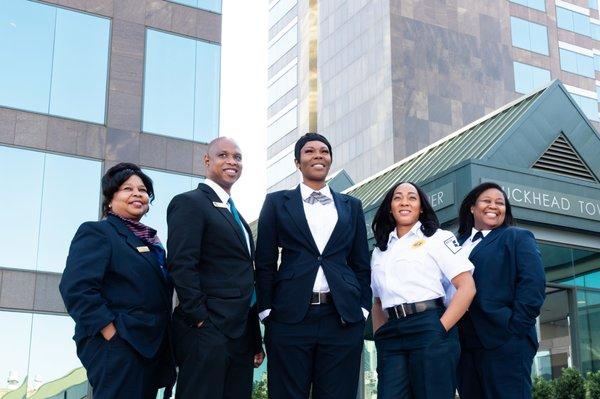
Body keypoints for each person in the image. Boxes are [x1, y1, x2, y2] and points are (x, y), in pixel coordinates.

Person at [255, 132, 371, 399]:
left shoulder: (352, 206)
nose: (318, 155)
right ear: (297, 162)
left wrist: (362, 309)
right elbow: (265, 262)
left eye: (324, 151)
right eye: (309, 151)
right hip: (289, 316)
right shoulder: (276, 203)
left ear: (330, 160)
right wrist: (266, 311)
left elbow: (361, 264)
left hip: (341, 318)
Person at [60, 163, 175, 399]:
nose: (137, 194)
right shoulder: (98, 232)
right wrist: (111, 333)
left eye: (142, 190)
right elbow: (76, 288)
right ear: (110, 199)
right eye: (127, 188)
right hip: (120, 345)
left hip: (150, 349)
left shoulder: (152, 243)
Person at [167, 137, 264, 399]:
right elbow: (181, 263)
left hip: (240, 335)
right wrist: (200, 318)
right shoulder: (190, 203)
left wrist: (255, 339)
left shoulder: (239, 218)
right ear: (207, 160)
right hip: (206, 331)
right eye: (223, 155)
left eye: (238, 157)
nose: (232, 161)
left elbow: (247, 280)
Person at [370, 181, 476, 399]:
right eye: (398, 197)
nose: (404, 202)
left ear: (421, 207)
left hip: (429, 326)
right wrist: (379, 336)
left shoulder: (438, 238)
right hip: (391, 334)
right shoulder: (380, 250)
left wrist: (440, 329)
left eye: (412, 197)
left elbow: (467, 287)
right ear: (390, 208)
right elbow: (378, 301)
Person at [456, 182, 546, 399]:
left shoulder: (517, 237)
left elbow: (533, 284)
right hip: (463, 344)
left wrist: (515, 328)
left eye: (500, 203)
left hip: (504, 339)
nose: (494, 206)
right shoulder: (454, 243)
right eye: (487, 201)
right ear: (472, 207)